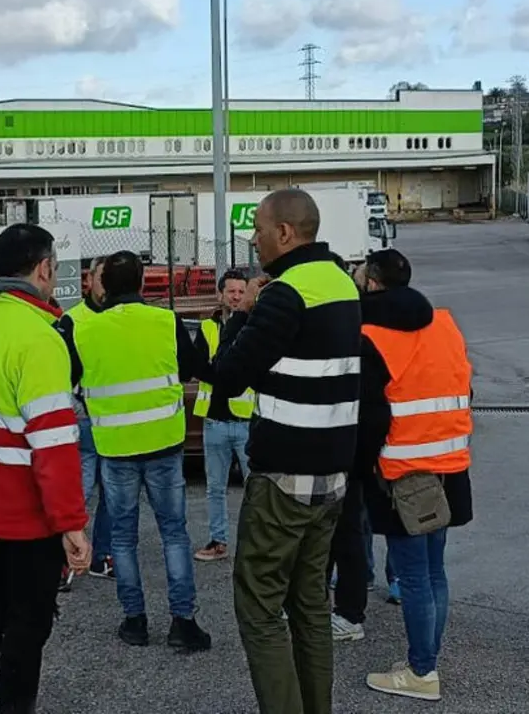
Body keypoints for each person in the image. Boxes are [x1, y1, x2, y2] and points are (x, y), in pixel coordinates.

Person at [205, 188, 361, 714]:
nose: (254, 238)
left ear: (285, 234)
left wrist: (245, 312)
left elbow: (228, 376)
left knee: (259, 607)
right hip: (332, 473)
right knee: (311, 602)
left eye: (258, 228)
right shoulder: (340, 282)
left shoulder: (285, 293)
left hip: (284, 477)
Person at [0, 224, 91, 714]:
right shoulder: (38, 336)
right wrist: (71, 524)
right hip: (28, 510)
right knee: (30, 620)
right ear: (45, 268)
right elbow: (53, 443)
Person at [66, 249, 212, 652]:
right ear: (143, 281)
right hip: (164, 443)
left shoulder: (82, 329)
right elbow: (189, 368)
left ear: (102, 286)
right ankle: (183, 622)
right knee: (174, 534)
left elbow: (71, 380)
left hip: (114, 447)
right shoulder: (165, 321)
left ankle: (134, 622)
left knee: (124, 538)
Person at [351, 250, 474, 702]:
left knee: (416, 578)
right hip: (449, 463)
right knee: (434, 572)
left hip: (400, 473)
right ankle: (427, 660)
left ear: (374, 284)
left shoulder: (370, 335)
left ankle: (422, 671)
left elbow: (371, 414)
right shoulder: (443, 323)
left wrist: (362, 469)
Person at [54, 256, 115, 585]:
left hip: (116, 423)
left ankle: (102, 556)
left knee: (111, 494)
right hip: (83, 422)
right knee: (77, 495)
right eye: (101, 278)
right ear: (88, 281)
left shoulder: (123, 319)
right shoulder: (70, 321)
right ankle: (64, 559)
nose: (106, 286)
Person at [192, 268, 254, 563]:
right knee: (215, 488)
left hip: (246, 422)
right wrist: (223, 372)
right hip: (215, 421)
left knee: (256, 490)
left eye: (241, 292)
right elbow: (197, 365)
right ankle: (218, 541)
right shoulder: (207, 328)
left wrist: (221, 369)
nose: (236, 296)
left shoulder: (254, 325)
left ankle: (256, 544)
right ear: (221, 294)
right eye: (231, 291)